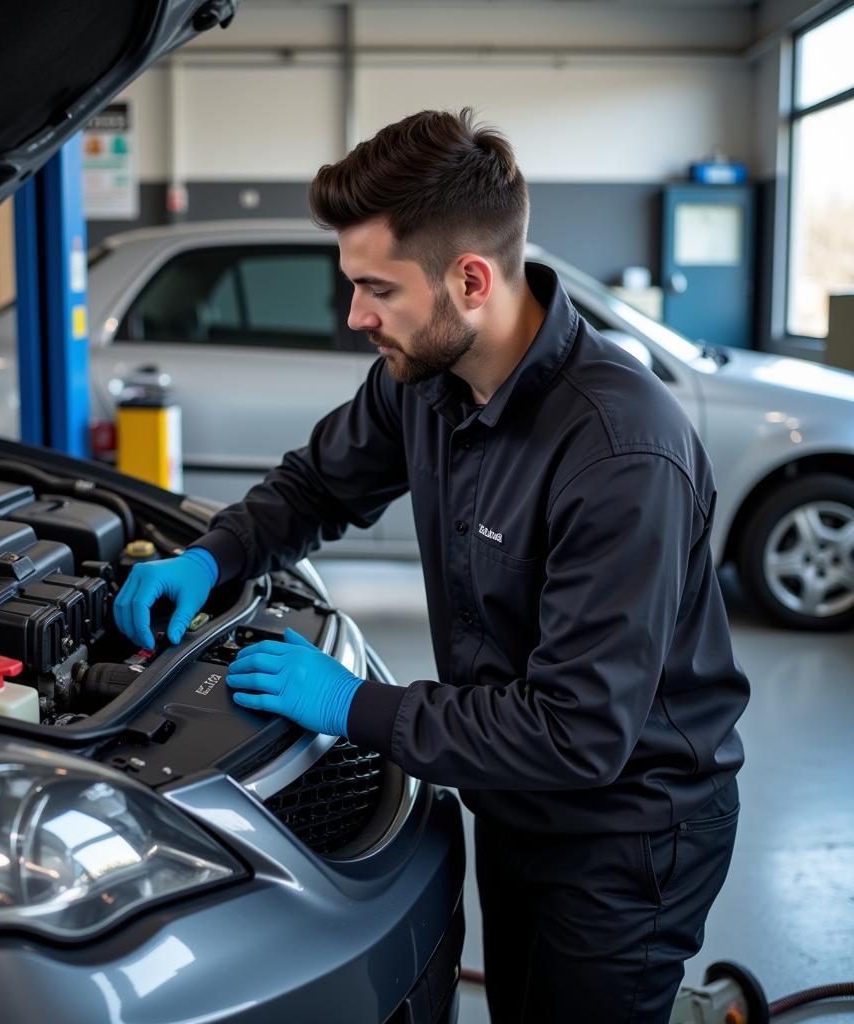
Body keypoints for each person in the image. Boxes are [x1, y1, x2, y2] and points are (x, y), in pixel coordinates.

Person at [113, 108, 749, 1023]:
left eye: (378, 289)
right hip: (517, 800)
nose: (355, 316)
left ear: (471, 278)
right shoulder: (424, 379)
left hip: (628, 829)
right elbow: (315, 487)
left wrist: (351, 706)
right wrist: (213, 557)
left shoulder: (618, 452)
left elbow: (577, 734)